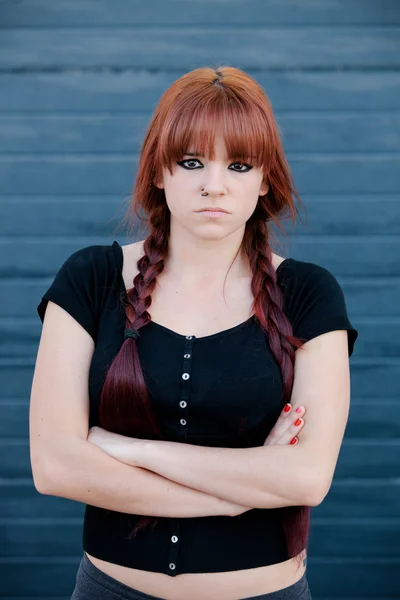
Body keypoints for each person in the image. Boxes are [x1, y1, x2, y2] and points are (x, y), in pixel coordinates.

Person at [30, 65, 358, 600]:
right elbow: (54, 466)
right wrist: (238, 493)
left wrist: (133, 451)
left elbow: (306, 479)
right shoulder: (90, 279)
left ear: (265, 178)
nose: (214, 185)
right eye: (191, 162)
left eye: (239, 164)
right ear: (159, 171)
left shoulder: (308, 295)